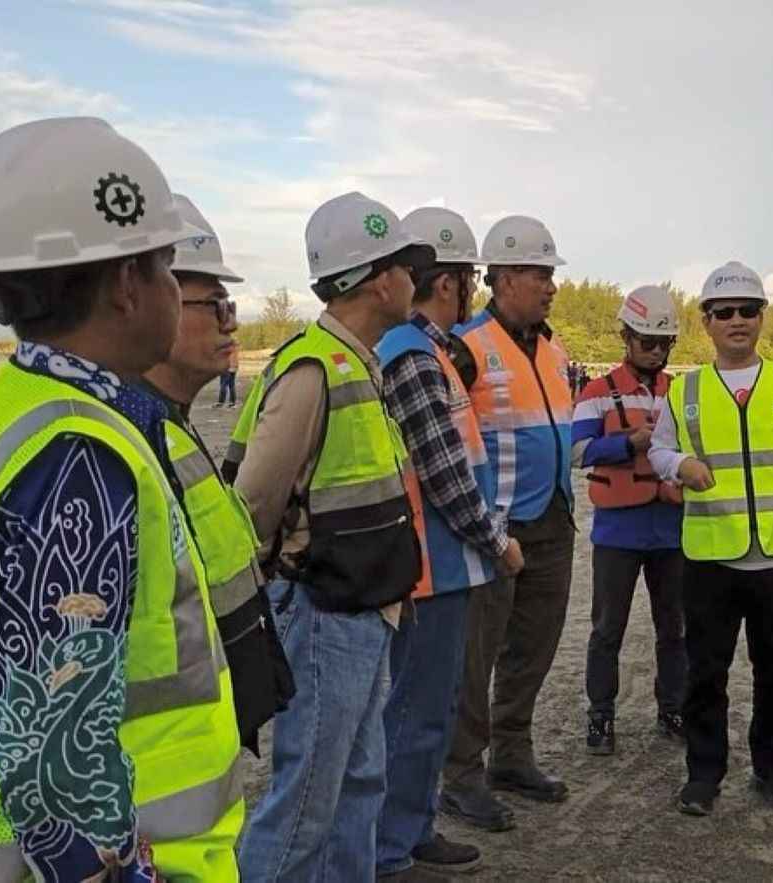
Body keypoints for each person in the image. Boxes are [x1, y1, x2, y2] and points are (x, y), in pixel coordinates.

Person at [0, 117, 243, 882]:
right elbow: (52, 753)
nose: (178, 288)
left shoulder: (21, 405)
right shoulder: (79, 456)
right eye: (168, 266)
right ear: (127, 284)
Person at [233, 192, 435, 881]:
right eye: (409, 267)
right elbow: (254, 501)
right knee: (307, 804)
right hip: (324, 615)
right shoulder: (314, 368)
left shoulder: (359, 363)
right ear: (380, 279)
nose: (418, 281)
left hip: (365, 609)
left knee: (360, 787)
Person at [649, 261, 773, 817]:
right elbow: (659, 449)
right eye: (724, 312)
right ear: (706, 322)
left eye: (747, 311)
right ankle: (704, 776)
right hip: (711, 558)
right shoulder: (685, 391)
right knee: (707, 673)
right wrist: (680, 464)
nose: (737, 321)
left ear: (761, 318)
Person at [375, 207, 524, 879]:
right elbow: (443, 472)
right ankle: (393, 843)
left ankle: (408, 827)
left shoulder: (424, 350)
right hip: (431, 567)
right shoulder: (412, 355)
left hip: (439, 563)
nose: (473, 293)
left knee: (421, 708)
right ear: (450, 283)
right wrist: (496, 540)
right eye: (469, 279)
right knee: (417, 712)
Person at [140, 193, 294, 754]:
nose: (231, 325)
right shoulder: (128, 438)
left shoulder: (168, 425)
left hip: (207, 732)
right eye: (218, 305)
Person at [441, 215, 575, 827]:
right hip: (493, 530)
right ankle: (462, 774)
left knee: (534, 649)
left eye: (550, 273)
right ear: (501, 277)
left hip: (553, 521)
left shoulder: (555, 350)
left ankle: (512, 754)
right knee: (477, 657)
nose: (549, 286)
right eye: (537, 273)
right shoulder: (464, 347)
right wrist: (482, 528)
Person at [572, 286, 686, 755]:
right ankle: (601, 715)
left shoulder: (680, 393)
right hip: (618, 532)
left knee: (675, 628)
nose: (656, 351)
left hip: (672, 532)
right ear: (626, 336)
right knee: (606, 630)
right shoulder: (596, 393)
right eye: (647, 341)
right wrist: (628, 444)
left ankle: (672, 708)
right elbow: (577, 451)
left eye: (664, 343)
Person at [217, 339, 239, 407]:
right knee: (231, 385)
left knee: (223, 385)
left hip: (227, 367)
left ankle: (221, 402)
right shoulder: (235, 347)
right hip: (234, 367)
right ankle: (232, 401)